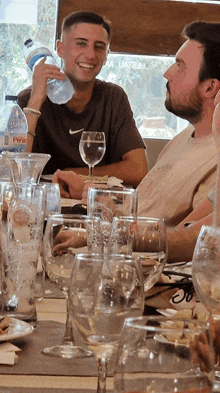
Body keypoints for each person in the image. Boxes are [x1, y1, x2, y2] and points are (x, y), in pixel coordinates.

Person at [53, 21, 220, 263]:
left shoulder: (214, 156)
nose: (167, 73)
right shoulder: (183, 138)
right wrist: (101, 200)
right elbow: (147, 216)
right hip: (116, 248)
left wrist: (100, 236)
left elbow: (192, 240)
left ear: (211, 87)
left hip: (138, 269)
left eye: (180, 67)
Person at [18, 11, 147, 187]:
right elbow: (14, 171)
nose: (90, 55)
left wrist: (71, 175)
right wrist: (35, 102)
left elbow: (138, 169)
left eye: (99, 46)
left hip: (96, 207)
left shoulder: (113, 97)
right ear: (60, 49)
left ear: (107, 54)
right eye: (81, 44)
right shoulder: (28, 100)